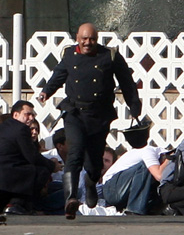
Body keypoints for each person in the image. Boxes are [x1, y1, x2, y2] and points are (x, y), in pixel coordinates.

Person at [38, 23, 142, 219]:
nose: (88, 43)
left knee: (94, 162)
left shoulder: (109, 56)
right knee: (75, 152)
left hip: (99, 116)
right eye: (84, 39)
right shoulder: (69, 54)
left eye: (92, 39)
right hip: (75, 113)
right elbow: (58, 75)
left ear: (97, 39)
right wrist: (46, 91)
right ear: (77, 38)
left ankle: (91, 181)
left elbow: (127, 82)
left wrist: (134, 106)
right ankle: (70, 199)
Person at [0, 100, 62, 215]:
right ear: (16, 115)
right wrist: (53, 165)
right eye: (27, 114)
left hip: (6, 171)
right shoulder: (21, 128)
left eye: (33, 114)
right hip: (9, 173)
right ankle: (17, 204)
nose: (31, 118)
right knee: (41, 171)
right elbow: (32, 157)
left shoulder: (4, 126)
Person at [102, 141, 168, 215]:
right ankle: (135, 209)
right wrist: (168, 160)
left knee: (159, 181)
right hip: (111, 190)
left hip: (121, 191)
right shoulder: (148, 151)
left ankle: (152, 210)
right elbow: (159, 175)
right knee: (146, 167)